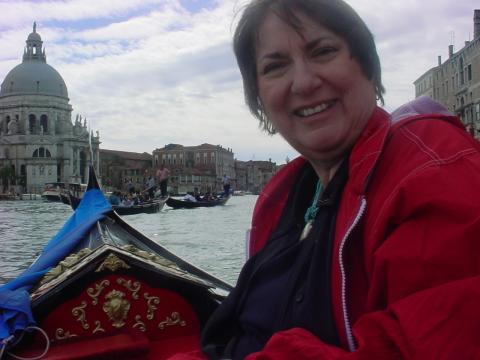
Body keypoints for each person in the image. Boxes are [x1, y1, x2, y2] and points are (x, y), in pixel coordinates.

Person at [170, 1, 480, 359]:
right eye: (275, 66)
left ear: (366, 65)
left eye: (323, 51)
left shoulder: (435, 171)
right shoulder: (284, 195)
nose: (303, 82)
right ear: (259, 97)